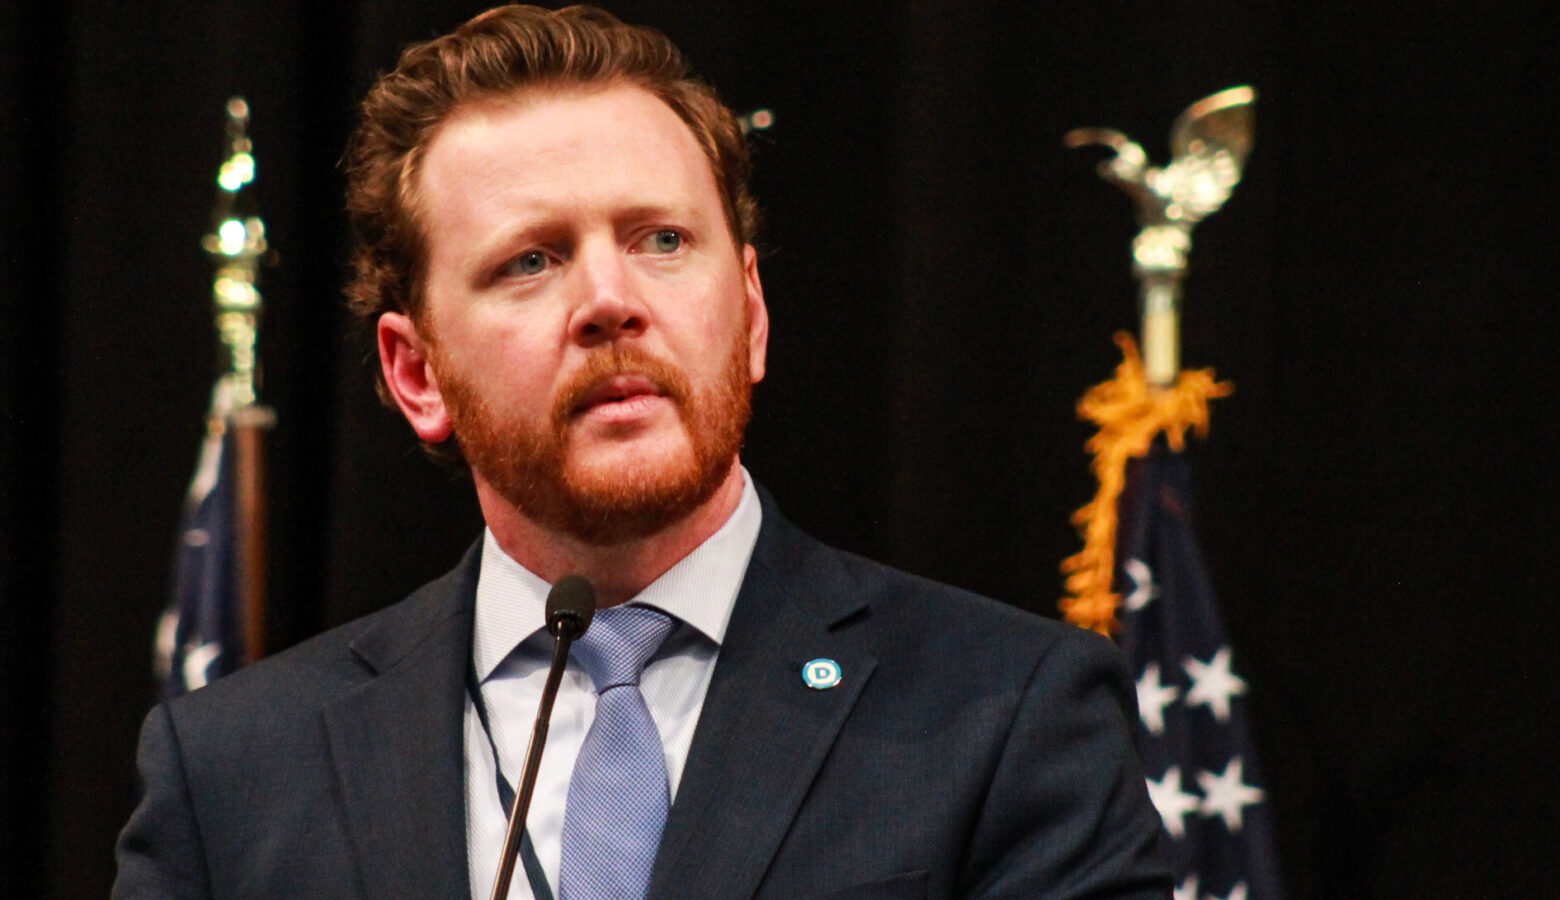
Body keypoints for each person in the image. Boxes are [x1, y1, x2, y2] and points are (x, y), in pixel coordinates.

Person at [114, 6, 1171, 898]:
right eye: (530, 261)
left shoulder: (1009, 717)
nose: (610, 301)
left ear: (750, 312)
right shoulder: (234, 776)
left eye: (661, 240)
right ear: (415, 375)